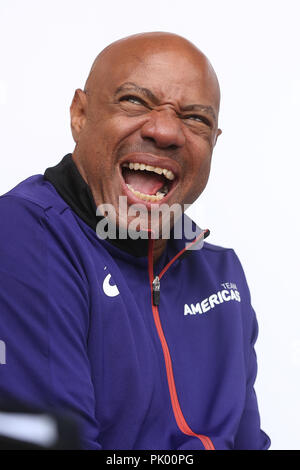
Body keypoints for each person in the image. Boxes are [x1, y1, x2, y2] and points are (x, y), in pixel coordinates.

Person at [0, 32, 270, 450]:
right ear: (80, 114)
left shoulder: (221, 274)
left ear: (213, 142)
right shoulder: (24, 233)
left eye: (195, 118)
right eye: (135, 101)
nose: (165, 131)